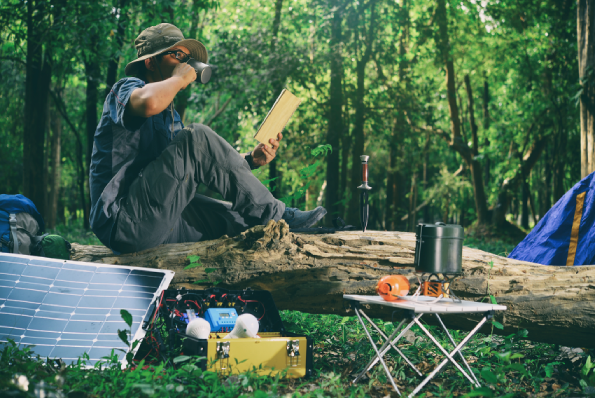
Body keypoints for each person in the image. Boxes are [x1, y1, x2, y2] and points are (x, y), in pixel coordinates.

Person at [89, 23, 326, 254]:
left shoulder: (169, 116)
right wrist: (180, 78)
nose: (186, 64)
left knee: (242, 221)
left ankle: (301, 231)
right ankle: (276, 213)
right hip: (124, 222)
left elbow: (204, 165)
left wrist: (251, 159)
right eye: (178, 55)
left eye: (188, 59)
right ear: (150, 62)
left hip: (162, 219)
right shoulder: (125, 89)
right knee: (196, 135)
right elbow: (149, 102)